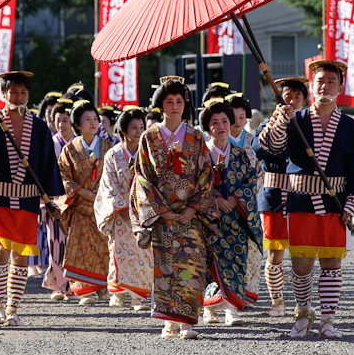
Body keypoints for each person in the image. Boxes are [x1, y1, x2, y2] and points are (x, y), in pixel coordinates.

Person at [261, 60, 354, 339]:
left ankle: (328, 318)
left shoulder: (349, 126)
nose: (325, 86)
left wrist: (352, 204)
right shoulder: (295, 120)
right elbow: (271, 148)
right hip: (300, 200)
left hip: (335, 203)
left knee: (332, 263)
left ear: (341, 87)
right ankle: (303, 312)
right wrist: (280, 120)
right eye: (320, 81)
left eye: (331, 81)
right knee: (300, 264)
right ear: (312, 86)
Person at [131, 76, 217, 340]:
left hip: (191, 216)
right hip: (163, 215)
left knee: (192, 266)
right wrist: (161, 210)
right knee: (166, 268)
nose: (175, 106)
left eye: (179, 101)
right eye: (169, 101)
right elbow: (142, 177)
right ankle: (169, 322)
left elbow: (206, 175)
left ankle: (188, 322)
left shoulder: (196, 137)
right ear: (161, 106)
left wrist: (193, 208)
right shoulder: (149, 137)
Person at [0, 71, 64, 326]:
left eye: (23, 91)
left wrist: (50, 199)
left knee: (21, 256)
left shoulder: (37, 125)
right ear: (3, 94)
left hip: (27, 198)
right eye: (13, 91)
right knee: (1, 250)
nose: (18, 96)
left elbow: (47, 163)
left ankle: (13, 307)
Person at [199, 99, 261, 327]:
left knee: (236, 262)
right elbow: (195, 183)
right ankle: (211, 308)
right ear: (208, 128)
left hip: (235, 217)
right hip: (209, 219)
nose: (221, 126)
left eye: (225, 120)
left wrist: (234, 199)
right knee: (209, 264)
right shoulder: (201, 153)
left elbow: (251, 180)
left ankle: (232, 309)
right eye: (214, 122)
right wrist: (216, 199)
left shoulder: (241, 154)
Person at [253, 76, 309, 317]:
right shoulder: (265, 126)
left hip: (301, 196)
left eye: (298, 96)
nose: (292, 100)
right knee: (274, 254)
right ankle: (277, 300)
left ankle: (302, 303)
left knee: (302, 253)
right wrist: (278, 123)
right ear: (279, 98)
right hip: (274, 195)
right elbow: (258, 149)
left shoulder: (310, 127)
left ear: (305, 100)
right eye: (288, 95)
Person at [94, 106, 153, 310]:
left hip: (145, 214)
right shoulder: (113, 155)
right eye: (134, 127)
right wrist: (125, 208)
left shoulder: (149, 154)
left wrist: (142, 209)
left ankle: (138, 297)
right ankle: (118, 293)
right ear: (124, 131)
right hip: (121, 214)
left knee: (144, 254)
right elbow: (108, 185)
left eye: (141, 127)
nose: (138, 131)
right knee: (118, 253)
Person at [57, 100, 112, 305]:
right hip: (81, 206)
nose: (93, 123)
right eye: (87, 119)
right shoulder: (69, 149)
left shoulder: (108, 147)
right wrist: (82, 192)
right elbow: (63, 176)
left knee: (103, 248)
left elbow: (114, 174)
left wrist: (101, 193)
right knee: (80, 250)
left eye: (95, 119)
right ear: (77, 125)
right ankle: (83, 290)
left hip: (102, 207)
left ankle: (103, 288)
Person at [45, 98, 77, 301]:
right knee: (55, 242)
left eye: (65, 120)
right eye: (58, 120)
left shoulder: (80, 143)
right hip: (56, 199)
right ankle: (59, 284)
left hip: (77, 199)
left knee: (74, 243)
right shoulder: (52, 142)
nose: (61, 125)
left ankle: (75, 285)